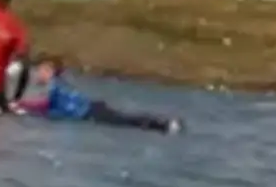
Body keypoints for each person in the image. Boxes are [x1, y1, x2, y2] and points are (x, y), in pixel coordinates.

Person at [17, 58, 179, 136]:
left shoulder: (53, 85)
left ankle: (162, 125)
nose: (38, 73)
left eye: (41, 69)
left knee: (126, 122)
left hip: (91, 112)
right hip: (93, 108)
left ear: (50, 71)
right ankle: (161, 124)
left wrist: (22, 106)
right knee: (125, 119)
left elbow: (45, 105)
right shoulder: (60, 82)